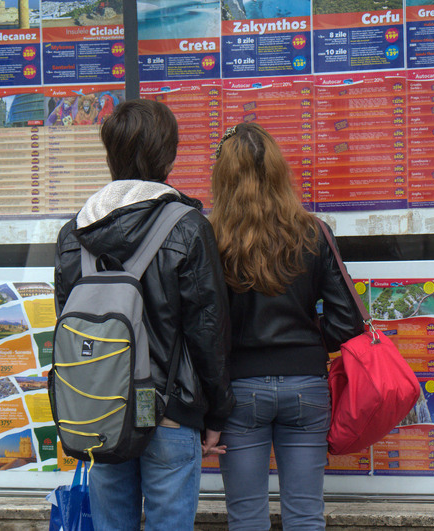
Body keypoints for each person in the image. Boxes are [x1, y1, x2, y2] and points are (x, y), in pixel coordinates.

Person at [54, 99, 235, 530]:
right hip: (172, 413)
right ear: (168, 156)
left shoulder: (73, 235)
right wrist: (216, 414)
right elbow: (207, 331)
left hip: (103, 410)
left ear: (110, 155)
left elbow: (69, 323)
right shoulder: (187, 227)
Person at [208, 122, 365, 530]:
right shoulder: (313, 232)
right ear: (279, 171)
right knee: (306, 516)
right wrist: (309, 338)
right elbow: (349, 321)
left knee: (246, 517)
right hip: (306, 388)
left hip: (239, 391)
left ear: (223, 177)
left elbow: (206, 326)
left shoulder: (211, 238)